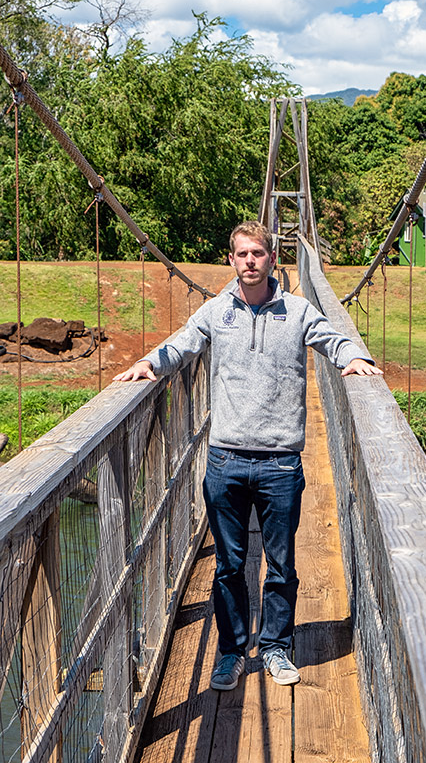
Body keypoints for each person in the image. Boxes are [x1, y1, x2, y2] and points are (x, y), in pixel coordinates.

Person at [114, 221, 382, 691]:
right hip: (225, 462)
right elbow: (182, 343)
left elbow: (330, 336)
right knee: (229, 566)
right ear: (232, 260)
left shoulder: (297, 311)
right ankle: (232, 652)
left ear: (273, 258)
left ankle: (276, 648)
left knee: (280, 565)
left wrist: (350, 357)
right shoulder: (217, 312)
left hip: (280, 463)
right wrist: (149, 363)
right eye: (243, 254)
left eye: (259, 253)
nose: (251, 261)